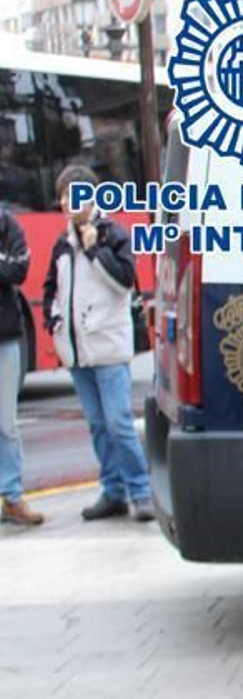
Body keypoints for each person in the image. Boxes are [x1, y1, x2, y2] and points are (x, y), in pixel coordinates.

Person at [42, 165, 154, 522]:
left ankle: (141, 491)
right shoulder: (62, 243)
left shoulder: (111, 234)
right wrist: (52, 320)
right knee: (97, 425)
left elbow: (124, 282)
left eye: (70, 196)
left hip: (107, 346)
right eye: (61, 197)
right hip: (77, 352)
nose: (63, 203)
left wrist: (94, 251)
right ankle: (113, 490)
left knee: (118, 422)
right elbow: (51, 287)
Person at [1, 203, 45, 527]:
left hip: (4, 337)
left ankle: (12, 497)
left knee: (5, 423)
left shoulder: (7, 226)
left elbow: (19, 270)